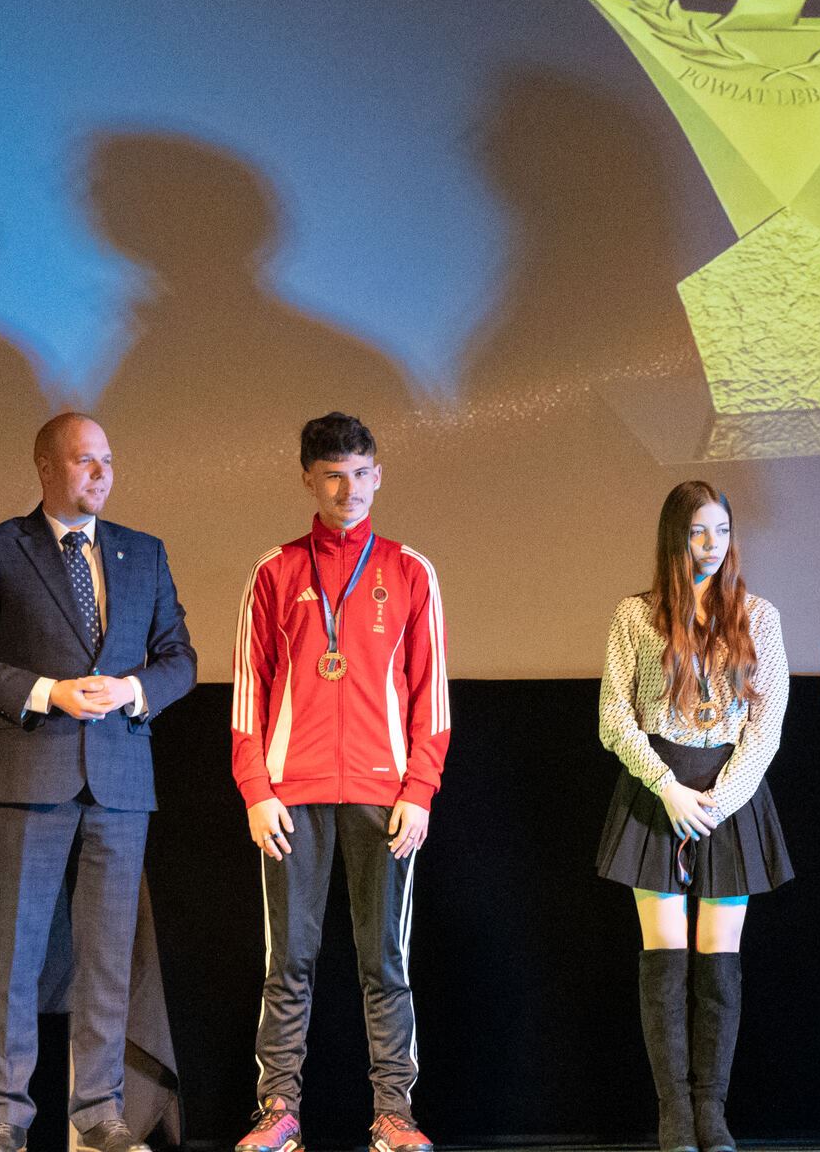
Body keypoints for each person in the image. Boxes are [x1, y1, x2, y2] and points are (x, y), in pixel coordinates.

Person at [0, 413, 198, 1152]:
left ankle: (100, 1113)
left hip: (120, 781)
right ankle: (5, 1119)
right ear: (46, 467)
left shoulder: (144, 552)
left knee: (108, 961)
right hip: (27, 773)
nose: (101, 473)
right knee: (16, 959)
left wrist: (134, 690)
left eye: (107, 459)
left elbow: (180, 659)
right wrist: (48, 691)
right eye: (86, 461)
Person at [229, 412, 453, 1152]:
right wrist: (257, 790)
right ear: (308, 479)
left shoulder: (410, 571)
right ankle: (279, 1112)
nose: (347, 489)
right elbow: (248, 694)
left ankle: (394, 1114)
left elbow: (431, 698)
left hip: (383, 796)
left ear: (378, 475)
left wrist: (418, 790)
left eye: (359, 474)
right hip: (290, 797)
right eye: (332, 475)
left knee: (384, 961)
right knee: (288, 962)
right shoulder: (274, 571)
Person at [595, 481, 793, 1152]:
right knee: (665, 960)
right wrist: (667, 788)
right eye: (697, 532)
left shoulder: (759, 616)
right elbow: (614, 716)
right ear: (673, 537)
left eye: (722, 531)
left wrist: (719, 800)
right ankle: (674, 1114)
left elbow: (766, 724)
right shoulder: (636, 615)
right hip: (658, 794)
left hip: (729, 795)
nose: (711, 545)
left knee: (719, 961)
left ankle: (712, 1110)